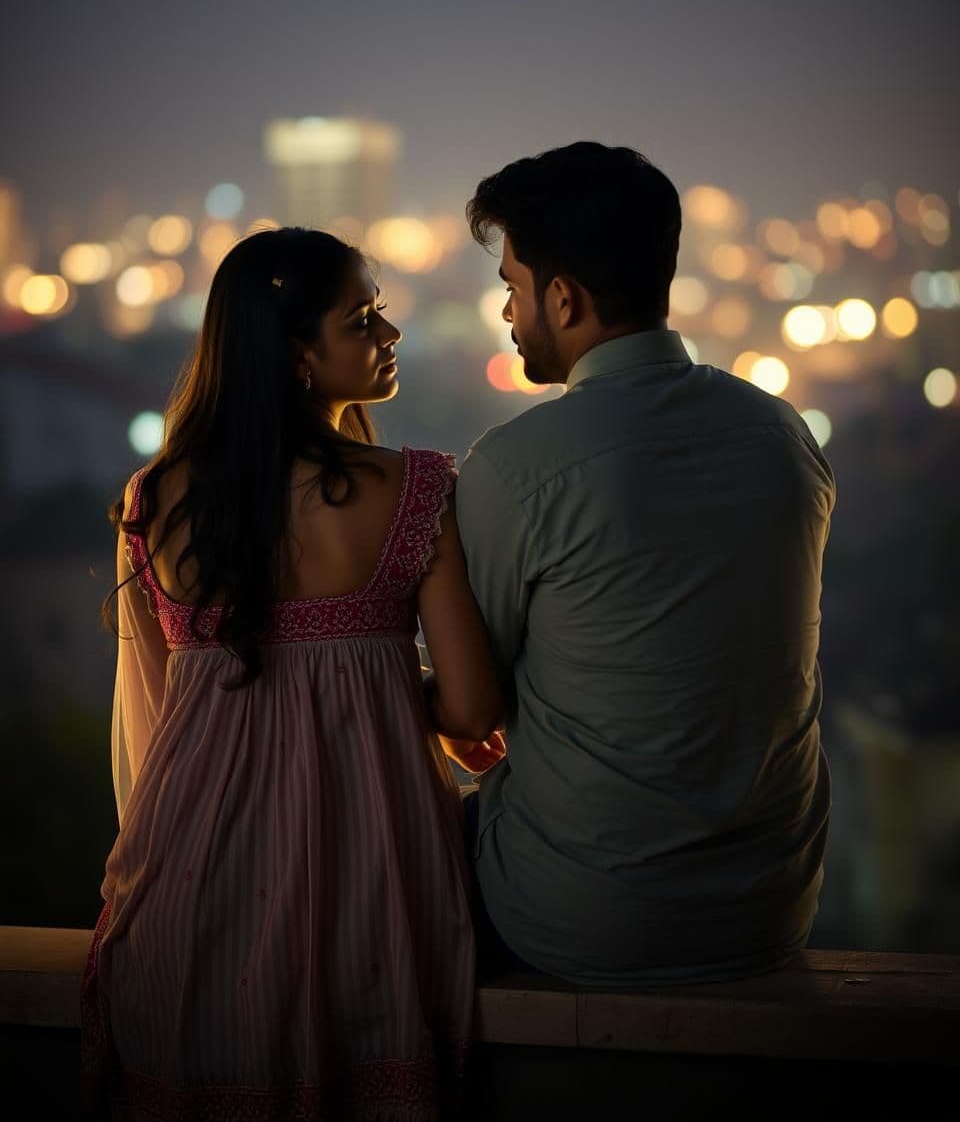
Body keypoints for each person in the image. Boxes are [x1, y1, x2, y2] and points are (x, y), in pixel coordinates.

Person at [81, 226, 501, 1121]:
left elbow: (152, 729)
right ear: (298, 357)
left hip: (191, 877)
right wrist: (390, 694)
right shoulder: (415, 491)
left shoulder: (152, 501)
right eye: (362, 318)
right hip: (373, 866)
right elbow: (470, 708)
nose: (388, 333)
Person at [449, 141, 836, 987]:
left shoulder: (518, 468)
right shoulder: (785, 438)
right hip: (769, 910)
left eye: (512, 288)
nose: (509, 314)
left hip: (583, 918)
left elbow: (477, 699)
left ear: (563, 297)